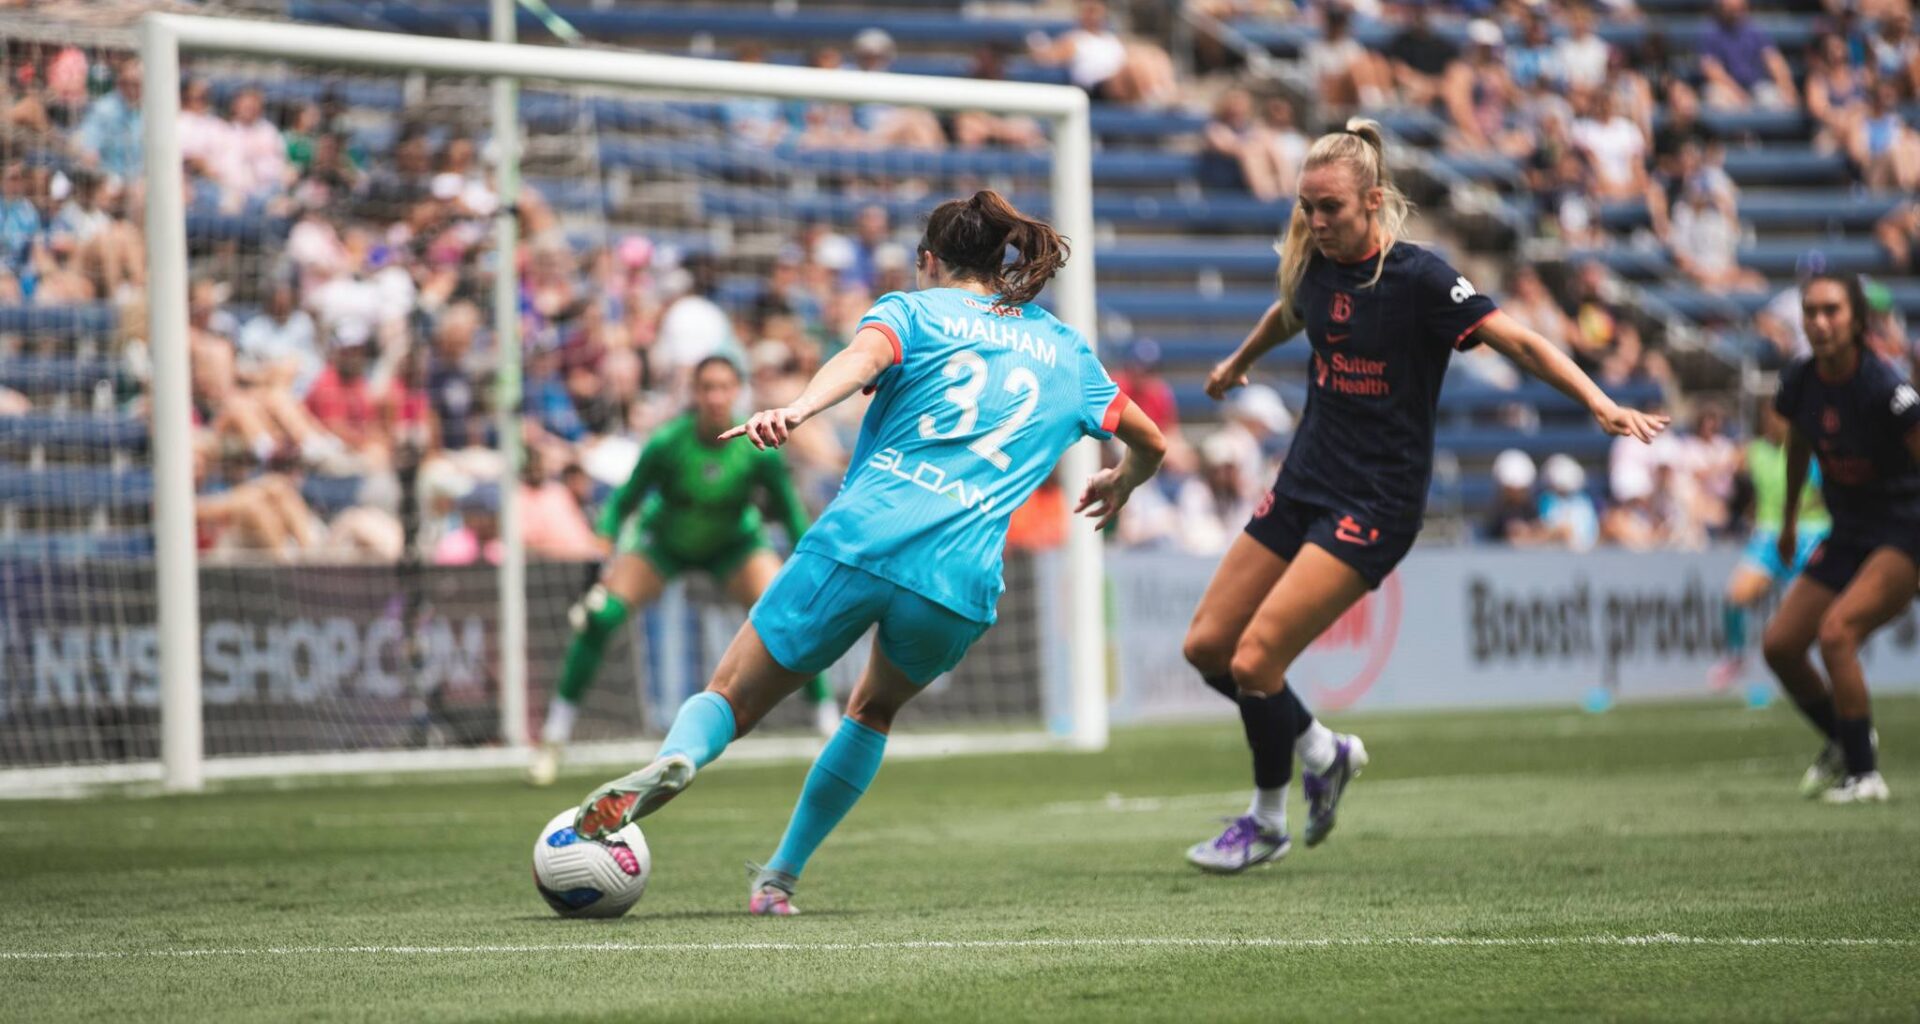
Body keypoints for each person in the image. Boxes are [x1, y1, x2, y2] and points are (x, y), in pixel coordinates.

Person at [570, 190, 1168, 916]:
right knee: (872, 711)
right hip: (959, 574)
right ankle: (779, 879)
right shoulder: (1066, 349)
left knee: (730, 695)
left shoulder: (913, 311)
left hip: (865, 535)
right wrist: (1124, 482)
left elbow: (860, 360)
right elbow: (1152, 441)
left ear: (927, 261)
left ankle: (685, 755)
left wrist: (797, 410)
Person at [1181, 119, 1666, 873]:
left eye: (1330, 208)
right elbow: (1293, 312)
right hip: (1306, 479)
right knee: (1207, 647)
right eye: (1306, 207)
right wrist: (1238, 361)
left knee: (1253, 661)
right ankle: (1321, 749)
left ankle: (1266, 822)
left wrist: (1598, 401)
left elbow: (1523, 342)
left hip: (1376, 503)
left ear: (1372, 201)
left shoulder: (1423, 279)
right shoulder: (1314, 262)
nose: (1315, 222)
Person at [528, 355, 839, 786]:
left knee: (792, 617)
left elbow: (787, 507)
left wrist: (809, 555)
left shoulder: (757, 444)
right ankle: (553, 739)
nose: (715, 396)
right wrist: (603, 540)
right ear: (694, 393)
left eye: (724, 387)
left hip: (734, 545)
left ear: (737, 391)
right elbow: (626, 498)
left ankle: (828, 726)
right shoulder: (668, 442)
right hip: (666, 544)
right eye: (706, 387)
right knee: (601, 619)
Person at [1761, 273, 1920, 804]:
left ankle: (1865, 774)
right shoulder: (1801, 379)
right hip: (1849, 530)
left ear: (1856, 320)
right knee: (1780, 645)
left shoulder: (1885, 387)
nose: (1819, 322)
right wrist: (1786, 521)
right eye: (1810, 311)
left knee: (1837, 634)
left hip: (1904, 529)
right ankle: (1842, 737)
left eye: (1831, 311)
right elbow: (1799, 446)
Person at [1708, 401, 1830, 695]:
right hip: (1767, 536)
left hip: (1810, 533)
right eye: (1767, 418)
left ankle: (1811, 667)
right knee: (1736, 596)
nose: (1771, 423)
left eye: (1778, 418)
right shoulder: (1756, 452)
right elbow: (1728, 476)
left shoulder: (1807, 452)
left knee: (1797, 613)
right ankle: (1736, 658)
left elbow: (1825, 494)